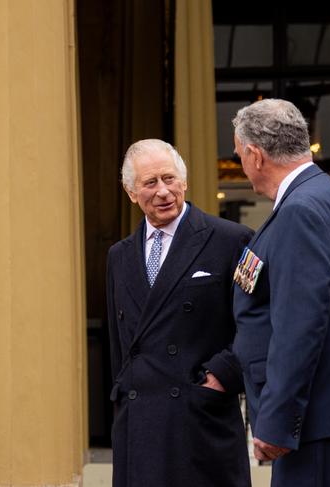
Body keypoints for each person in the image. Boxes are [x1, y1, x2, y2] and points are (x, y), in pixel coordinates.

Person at [106, 139, 253, 487]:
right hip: (139, 423)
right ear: (131, 192)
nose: (163, 191)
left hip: (200, 417)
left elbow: (258, 323)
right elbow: (119, 344)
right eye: (150, 183)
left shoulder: (231, 240)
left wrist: (222, 376)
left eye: (169, 179)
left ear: (184, 182)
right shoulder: (119, 256)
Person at [232, 99, 330, 486]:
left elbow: (300, 325)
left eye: (240, 154)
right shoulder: (322, 193)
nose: (242, 166)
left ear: (256, 155)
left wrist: (277, 421)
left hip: (313, 428)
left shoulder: (300, 210)